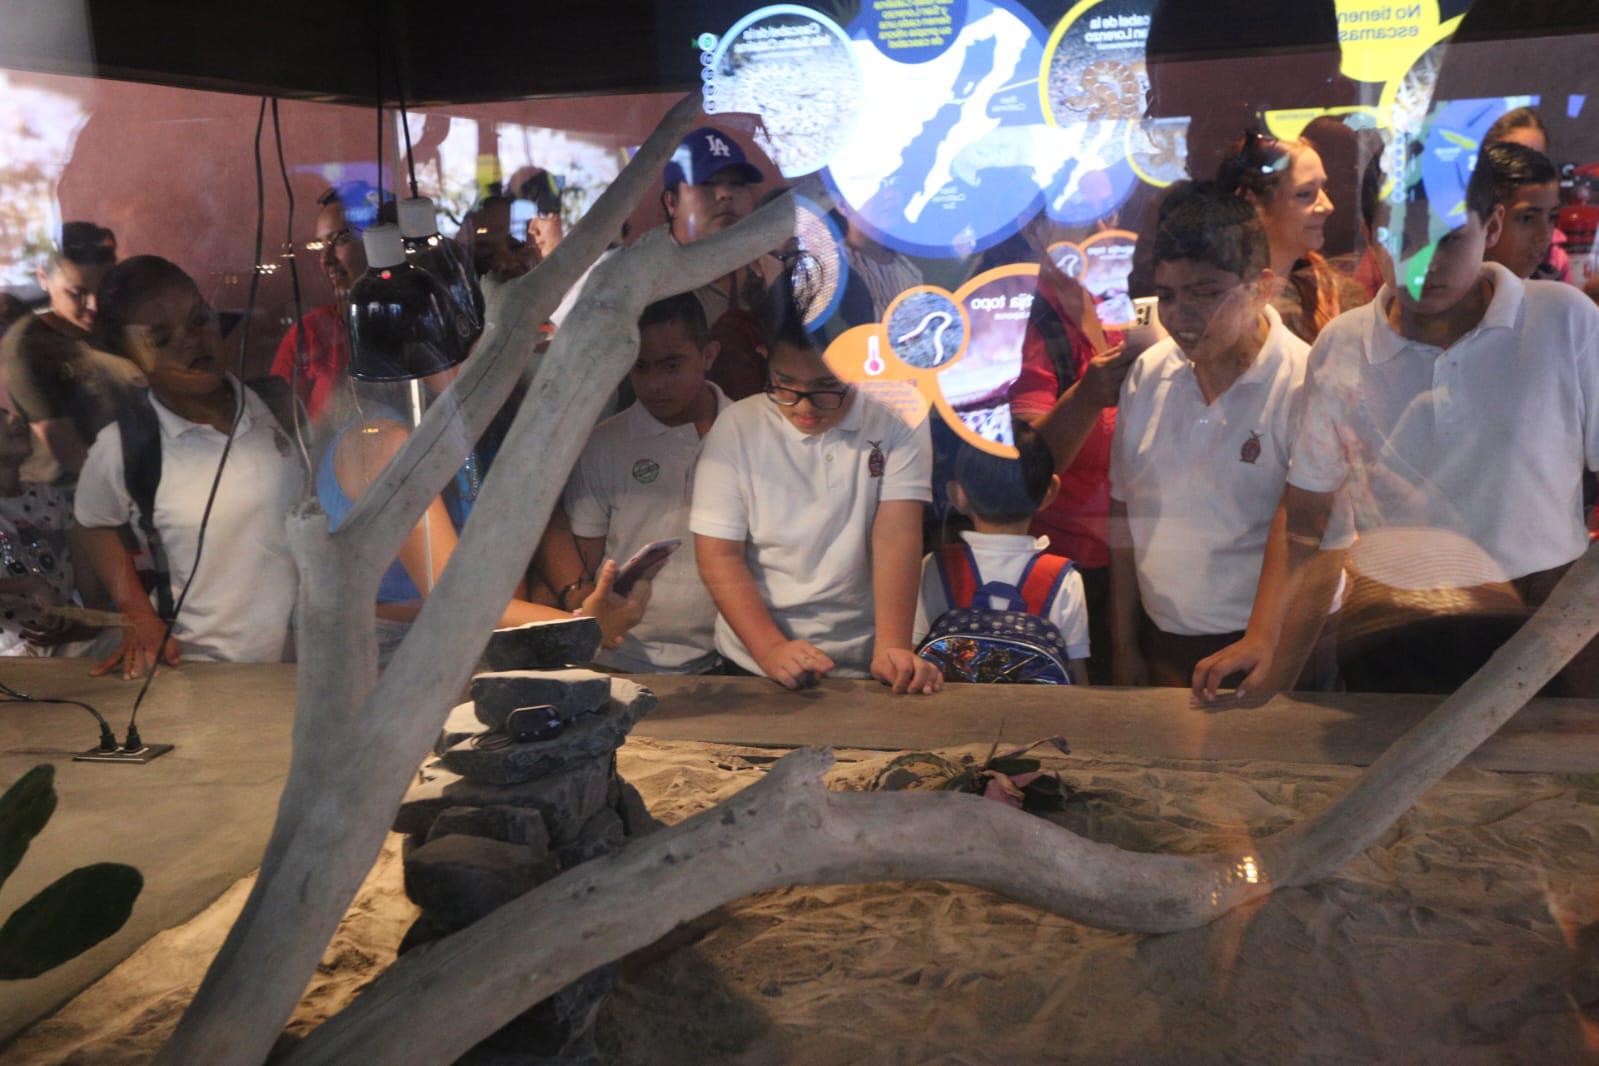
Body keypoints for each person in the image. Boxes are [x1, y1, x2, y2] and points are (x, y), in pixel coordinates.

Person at [1193, 152, 1599, 699]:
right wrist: (1263, 635)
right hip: (1395, 627)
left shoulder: (1563, 320)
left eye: (1449, 238)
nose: (1422, 263)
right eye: (1399, 239)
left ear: (1492, 227)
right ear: (1369, 236)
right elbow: (1307, 514)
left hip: (1546, 617)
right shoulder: (1342, 345)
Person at [1108, 184, 1319, 688]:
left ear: (1261, 288)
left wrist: (1269, 645)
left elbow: (1309, 531)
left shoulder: (1304, 381)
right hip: (1163, 639)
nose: (1181, 314)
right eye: (1167, 296)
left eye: (1204, 294)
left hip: (1275, 647)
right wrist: (1123, 644)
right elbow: (1123, 515)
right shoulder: (1148, 375)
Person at [691, 275, 940, 694]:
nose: (804, 407)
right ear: (764, 355)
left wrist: (892, 647)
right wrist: (771, 649)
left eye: (827, 387)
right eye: (785, 383)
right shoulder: (738, 427)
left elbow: (896, 536)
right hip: (754, 660)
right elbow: (719, 555)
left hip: (865, 655)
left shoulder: (898, 416)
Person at [319, 368, 650, 667]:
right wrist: (585, 626)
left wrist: (582, 610)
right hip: (386, 657)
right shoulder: (380, 441)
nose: (475, 346)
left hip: (476, 640)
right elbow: (453, 602)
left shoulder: (488, 425)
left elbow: (511, 566)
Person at [76, 256, 301, 676]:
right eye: (161, 338)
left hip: (308, 661)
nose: (192, 341)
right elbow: (91, 523)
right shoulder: (127, 446)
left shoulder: (275, 409)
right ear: (129, 361)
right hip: (205, 672)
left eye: (199, 319)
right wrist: (137, 614)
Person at [540, 293, 727, 674]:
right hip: (618, 658)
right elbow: (586, 558)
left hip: (729, 660)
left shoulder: (748, 432)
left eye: (671, 365)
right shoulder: (604, 444)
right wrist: (587, 612)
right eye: (640, 367)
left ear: (708, 355)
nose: (655, 384)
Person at [913, 424, 1091, 684]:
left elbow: (915, 655)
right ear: (1050, 491)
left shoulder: (936, 567)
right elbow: (1076, 673)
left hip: (949, 709)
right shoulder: (1064, 578)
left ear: (957, 494)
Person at [0, 222, 142, 485]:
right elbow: (72, 455)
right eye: (77, 293)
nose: (94, 305)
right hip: (75, 490)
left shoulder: (117, 324)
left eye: (104, 290)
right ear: (43, 279)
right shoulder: (27, 346)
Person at [1217, 130, 1366, 344]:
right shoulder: (1207, 298)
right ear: (1252, 203)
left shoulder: (1337, 297)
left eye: (1323, 189)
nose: (1328, 206)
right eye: (1305, 194)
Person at [661, 127, 769, 398]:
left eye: (737, 183)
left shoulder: (773, 272)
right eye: (707, 183)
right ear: (671, 201)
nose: (724, 194)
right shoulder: (652, 288)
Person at [270, 182, 389, 422]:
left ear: (381, 241)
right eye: (322, 244)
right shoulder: (306, 335)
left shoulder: (417, 320)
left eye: (342, 240)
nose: (326, 259)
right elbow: (281, 428)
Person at [0, 386, 102, 657]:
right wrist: (29, 584)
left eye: (12, 414)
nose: (16, 419)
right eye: (0, 417)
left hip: (65, 639)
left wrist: (87, 622)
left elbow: (85, 574)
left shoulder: (50, 497)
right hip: (9, 651)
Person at [1481, 141, 1562, 281]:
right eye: (1528, 218)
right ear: (1491, 223)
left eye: (1552, 217)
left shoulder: (1554, 290)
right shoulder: (1446, 290)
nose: (1545, 235)